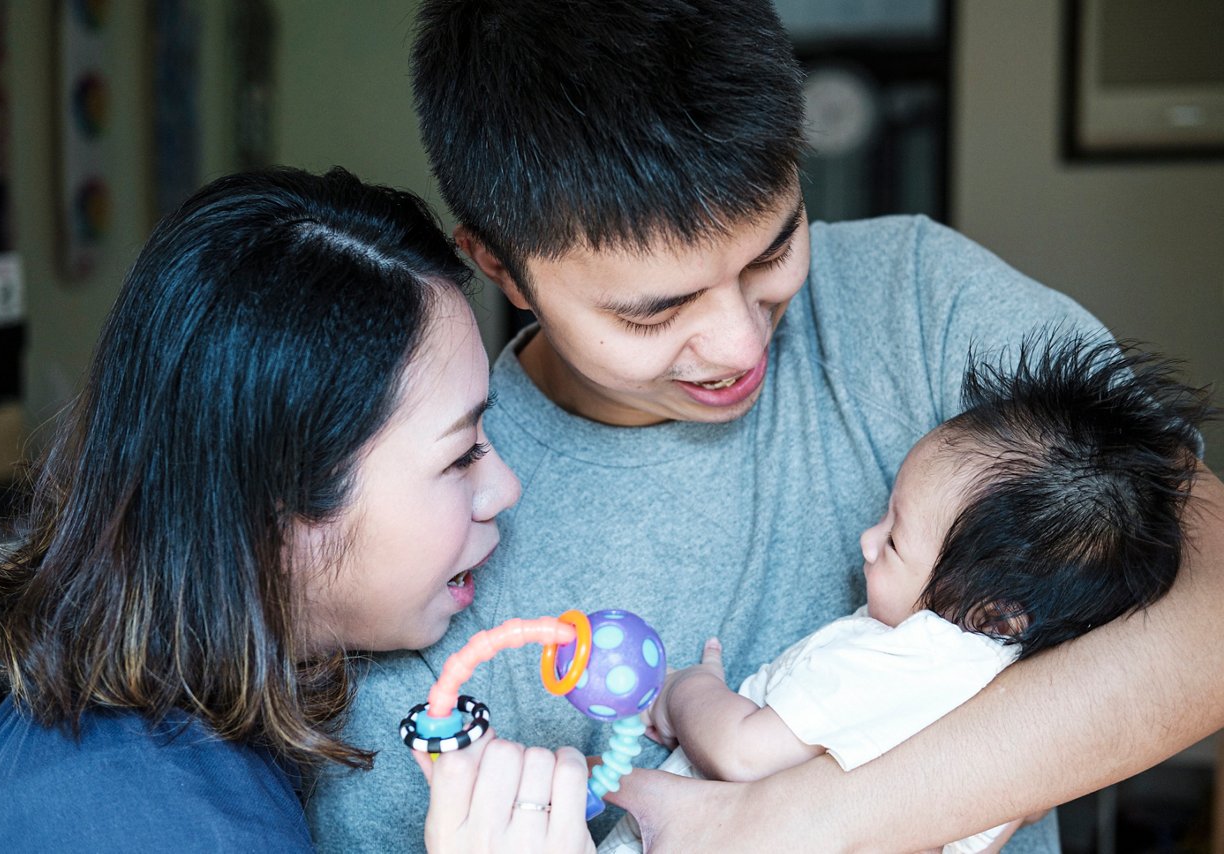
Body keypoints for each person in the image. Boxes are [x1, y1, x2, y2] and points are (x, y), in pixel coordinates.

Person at [307, 2, 1224, 851]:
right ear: (501, 269)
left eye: (775, 248)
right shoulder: (435, 533)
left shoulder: (918, 298)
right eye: (653, 313)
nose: (741, 341)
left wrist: (801, 819)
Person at [0, 167, 594, 853]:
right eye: (460, 456)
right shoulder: (166, 825)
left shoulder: (168, 737)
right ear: (276, 515)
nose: (504, 488)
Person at [599, 335, 1213, 854]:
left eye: (894, 541)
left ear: (991, 614)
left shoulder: (901, 657)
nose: (867, 542)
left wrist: (686, 690)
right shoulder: (1022, 705)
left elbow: (740, 752)